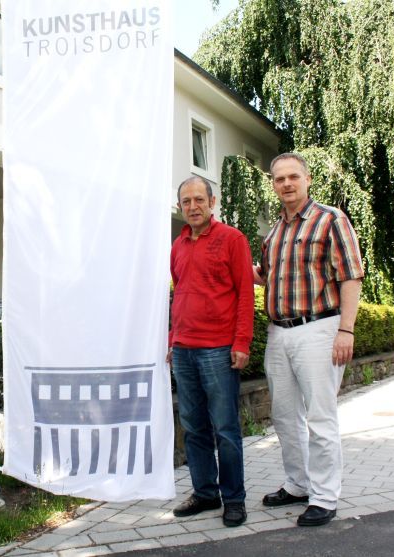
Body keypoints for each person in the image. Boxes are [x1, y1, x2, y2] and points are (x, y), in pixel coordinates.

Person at [256, 153, 364, 527]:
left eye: (293, 177)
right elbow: (264, 276)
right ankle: (298, 484)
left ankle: (324, 496)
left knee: (320, 416)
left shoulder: (330, 219)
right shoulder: (274, 232)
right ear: (273, 184)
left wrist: (346, 329)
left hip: (319, 329)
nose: (286, 184)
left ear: (307, 179)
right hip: (278, 333)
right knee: (285, 416)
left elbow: (351, 275)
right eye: (279, 178)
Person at [168, 175, 254, 527]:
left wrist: (242, 342)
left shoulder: (232, 239)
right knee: (193, 427)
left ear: (212, 202)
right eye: (186, 201)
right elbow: (180, 293)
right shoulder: (177, 245)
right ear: (180, 206)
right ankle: (205, 492)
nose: (193, 207)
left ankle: (233, 498)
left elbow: (245, 293)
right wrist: (172, 338)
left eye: (199, 200)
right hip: (184, 350)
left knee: (225, 428)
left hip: (218, 350)